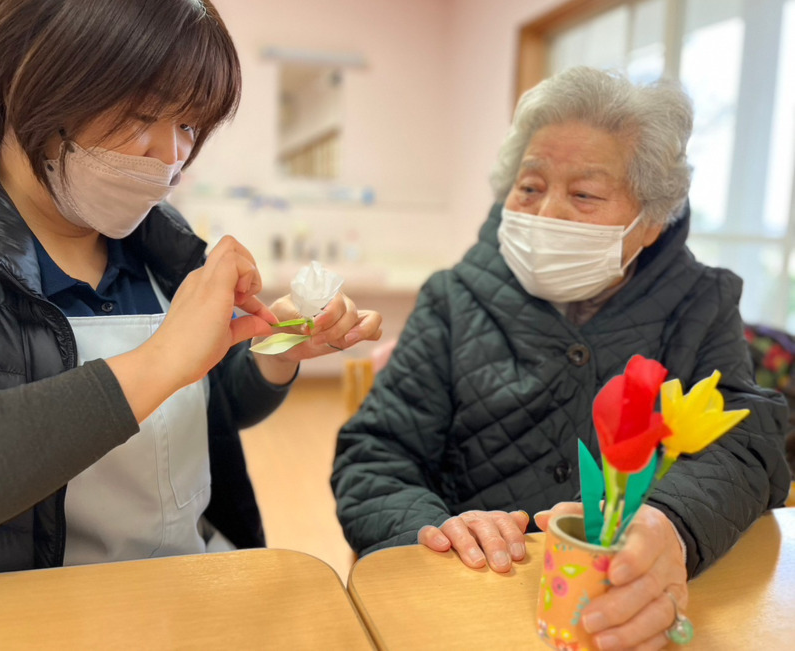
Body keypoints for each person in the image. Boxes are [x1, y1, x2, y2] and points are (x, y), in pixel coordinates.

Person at [0, 0, 381, 579]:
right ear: (29, 78)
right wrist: (157, 361)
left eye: (189, 127)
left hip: (189, 594)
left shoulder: (160, 245)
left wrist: (274, 349)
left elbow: (200, 414)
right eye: (143, 114)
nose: (170, 157)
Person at [332, 66, 789, 649]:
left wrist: (672, 525)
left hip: (630, 602)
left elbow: (749, 443)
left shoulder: (701, 302)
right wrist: (438, 528)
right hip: (475, 600)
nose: (545, 213)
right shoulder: (454, 297)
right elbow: (375, 455)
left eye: (585, 195)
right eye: (529, 187)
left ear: (649, 223)